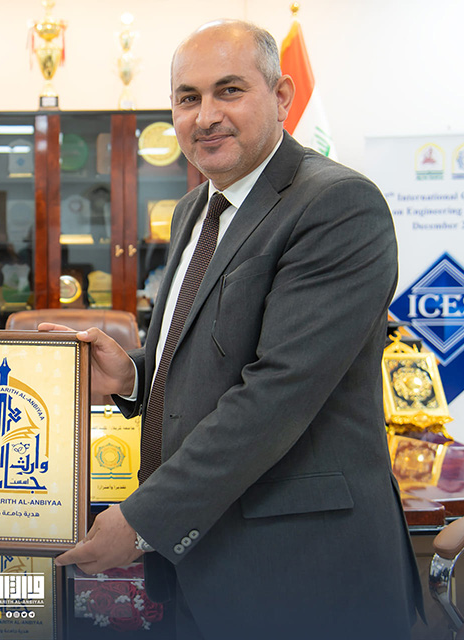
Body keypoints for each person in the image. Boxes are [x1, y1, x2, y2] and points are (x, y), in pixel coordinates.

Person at [48, 20, 422, 640]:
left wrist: (143, 520)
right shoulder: (195, 207)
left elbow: (277, 391)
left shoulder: (336, 205)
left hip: (303, 575)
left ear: (282, 96)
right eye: (187, 98)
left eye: (229, 90)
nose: (206, 116)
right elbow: (208, 352)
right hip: (200, 566)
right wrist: (134, 374)